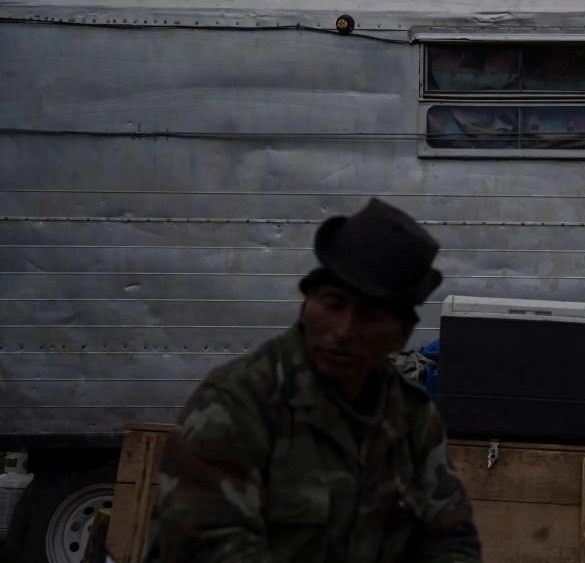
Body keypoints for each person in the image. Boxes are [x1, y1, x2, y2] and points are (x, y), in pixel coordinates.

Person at [145, 198, 482, 563]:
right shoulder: (237, 403)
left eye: (369, 316)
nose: (344, 331)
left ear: (401, 335)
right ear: (306, 305)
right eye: (333, 304)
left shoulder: (411, 417)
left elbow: (453, 538)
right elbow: (207, 545)